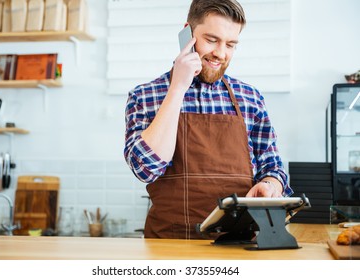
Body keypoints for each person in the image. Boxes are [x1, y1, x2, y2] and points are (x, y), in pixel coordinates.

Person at [124, 0, 293, 239]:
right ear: (188, 33)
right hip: (170, 247)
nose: (220, 53)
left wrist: (271, 185)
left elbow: (272, 167)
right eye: (212, 40)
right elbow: (146, 169)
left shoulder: (250, 98)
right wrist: (177, 88)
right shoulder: (145, 96)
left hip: (240, 246)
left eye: (231, 44)